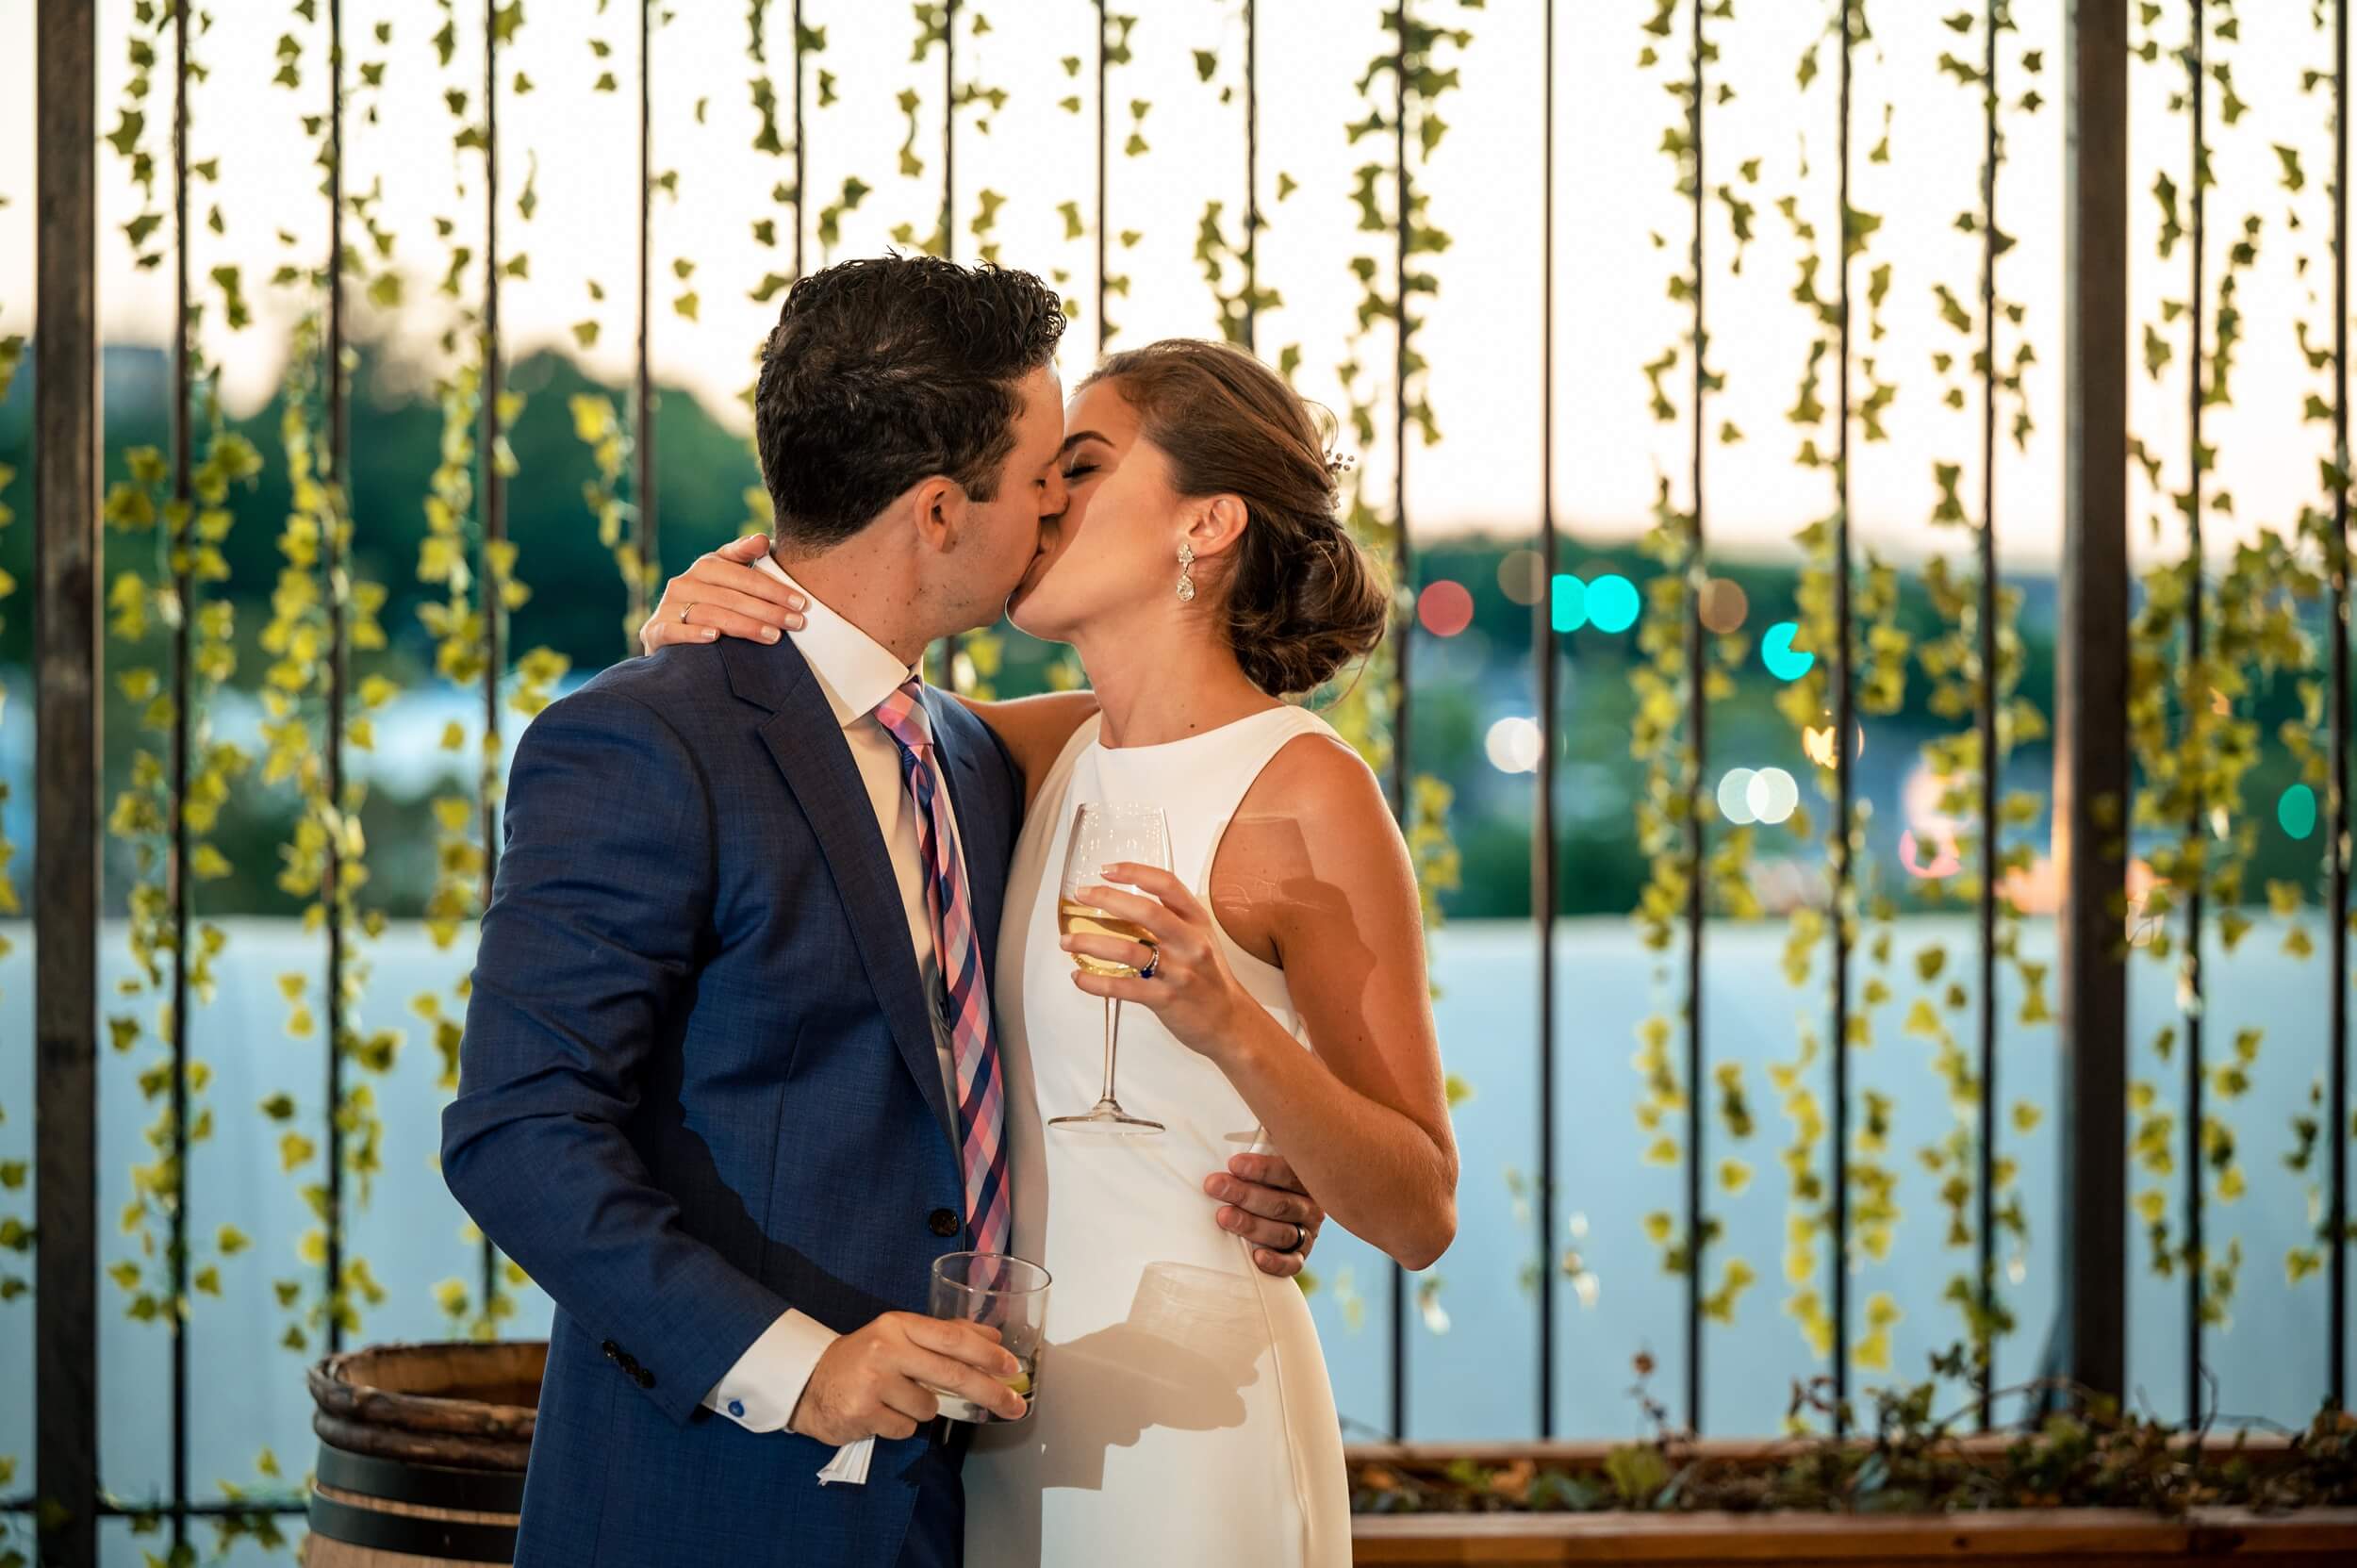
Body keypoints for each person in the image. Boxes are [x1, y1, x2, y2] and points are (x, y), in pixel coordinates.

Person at [441, 256, 1327, 1568]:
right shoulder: (640, 742)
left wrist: (1275, 1142)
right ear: (933, 513)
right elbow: (519, 1136)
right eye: (1042, 477)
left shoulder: (978, 760)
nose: (1053, 509)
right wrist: (801, 1372)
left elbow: (1197, 740)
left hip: (975, 1503)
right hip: (711, 1507)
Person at [643, 333, 1459, 1567]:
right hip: (1008, 1406)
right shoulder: (1031, 752)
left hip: (1195, 1422)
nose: (1040, 498)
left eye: (1081, 464)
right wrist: (692, 631)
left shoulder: (1309, 796)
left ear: (1209, 524)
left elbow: (1419, 1208)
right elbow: (822, 722)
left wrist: (1228, 1027)